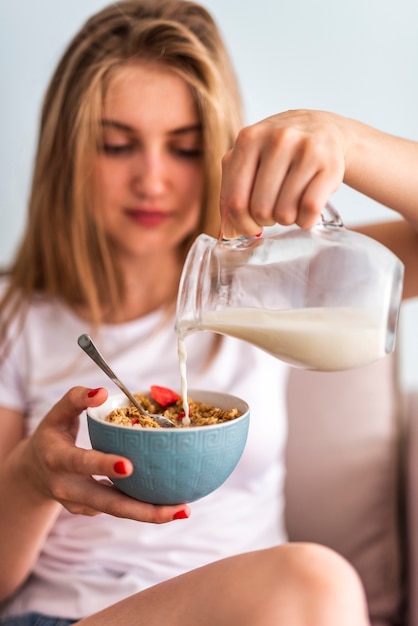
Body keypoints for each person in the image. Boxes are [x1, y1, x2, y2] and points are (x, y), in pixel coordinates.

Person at [1, 0, 417, 624]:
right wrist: (34, 478)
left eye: (186, 149)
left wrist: (344, 139)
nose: (153, 180)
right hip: (72, 615)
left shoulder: (269, 281)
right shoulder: (17, 318)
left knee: (307, 587)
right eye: (117, 145)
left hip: (256, 611)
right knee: (316, 581)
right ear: (69, 156)